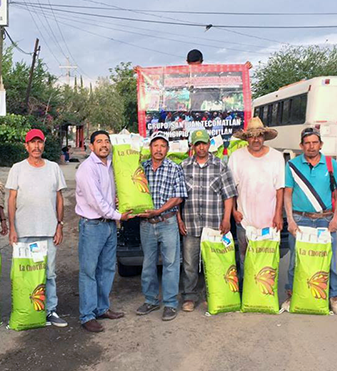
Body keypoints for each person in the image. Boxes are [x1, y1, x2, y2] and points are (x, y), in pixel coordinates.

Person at [6, 129, 68, 328]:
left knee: (49, 273)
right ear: (26, 146)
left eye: (39, 142)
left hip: (48, 231)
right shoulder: (17, 168)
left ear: (43, 144)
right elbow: (12, 199)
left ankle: (50, 310)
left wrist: (59, 225)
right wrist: (12, 228)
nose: (36, 147)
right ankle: (24, 309)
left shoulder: (53, 168)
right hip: (23, 231)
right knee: (23, 274)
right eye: (32, 143)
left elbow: (59, 198)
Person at [283, 127, 337, 315]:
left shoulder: (330, 164)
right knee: (296, 259)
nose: (311, 146)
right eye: (307, 143)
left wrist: (336, 218)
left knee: (329, 259)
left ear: (321, 144)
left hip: (324, 219)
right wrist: (290, 221)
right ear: (301, 145)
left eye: (315, 142)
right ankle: (292, 294)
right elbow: (288, 194)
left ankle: (334, 296)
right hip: (300, 218)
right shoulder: (292, 165)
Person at [75, 130, 131, 333]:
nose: (104, 145)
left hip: (108, 225)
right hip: (93, 225)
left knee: (106, 269)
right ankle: (87, 315)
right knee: (89, 271)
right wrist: (119, 216)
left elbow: (108, 196)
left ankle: (102, 308)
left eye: (107, 141)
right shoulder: (87, 169)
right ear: (91, 146)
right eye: (99, 142)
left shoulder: (110, 166)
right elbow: (96, 202)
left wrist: (118, 202)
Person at [178, 129, 236, 312]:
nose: (201, 147)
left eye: (204, 143)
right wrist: (179, 220)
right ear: (192, 146)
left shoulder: (220, 166)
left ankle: (211, 295)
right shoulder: (184, 166)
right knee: (189, 265)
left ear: (209, 144)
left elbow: (229, 195)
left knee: (214, 263)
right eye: (197, 144)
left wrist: (227, 218)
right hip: (191, 224)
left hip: (214, 225)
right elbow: (177, 197)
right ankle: (189, 297)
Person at [136, 131, 188, 321]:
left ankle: (170, 304)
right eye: (155, 145)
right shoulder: (141, 168)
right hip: (147, 225)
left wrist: (158, 211)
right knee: (148, 264)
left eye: (163, 146)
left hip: (167, 221)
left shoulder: (174, 168)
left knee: (171, 264)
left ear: (167, 149)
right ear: (150, 148)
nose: (159, 149)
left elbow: (178, 197)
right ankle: (150, 300)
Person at [228, 118, 284, 277]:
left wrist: (278, 214)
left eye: (259, 136)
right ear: (246, 139)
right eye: (252, 136)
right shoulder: (237, 157)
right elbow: (231, 188)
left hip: (269, 221)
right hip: (245, 220)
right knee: (245, 258)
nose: (256, 139)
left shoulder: (276, 157)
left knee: (268, 261)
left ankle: (266, 297)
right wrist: (233, 211)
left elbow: (280, 188)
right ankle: (247, 294)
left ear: (264, 137)